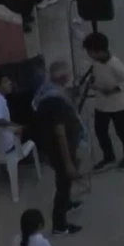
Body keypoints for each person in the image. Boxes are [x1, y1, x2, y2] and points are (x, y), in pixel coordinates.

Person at [31, 60, 85, 235]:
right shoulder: (57, 102)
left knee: (64, 181)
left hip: (50, 145)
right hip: (60, 149)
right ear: (63, 78)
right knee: (63, 183)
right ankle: (60, 225)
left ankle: (67, 203)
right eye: (69, 74)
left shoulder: (46, 90)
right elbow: (60, 133)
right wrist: (68, 163)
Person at [83, 31, 124, 171]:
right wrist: (92, 81)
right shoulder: (96, 62)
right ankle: (108, 156)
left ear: (99, 51)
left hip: (118, 105)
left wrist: (114, 89)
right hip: (102, 105)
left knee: (121, 130)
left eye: (90, 51)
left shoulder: (115, 64)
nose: (88, 54)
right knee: (100, 131)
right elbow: (97, 73)